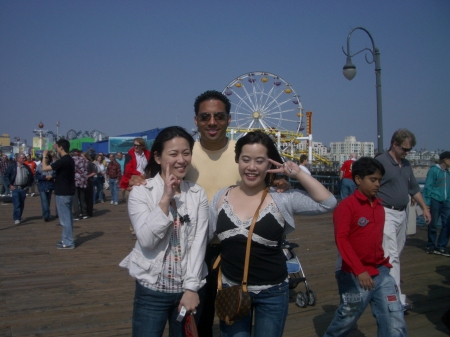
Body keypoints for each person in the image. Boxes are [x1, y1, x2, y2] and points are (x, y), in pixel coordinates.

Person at [128, 90, 288, 336]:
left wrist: (280, 184)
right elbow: (163, 175)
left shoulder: (243, 152)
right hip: (193, 248)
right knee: (200, 319)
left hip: (234, 248)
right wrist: (142, 180)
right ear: (196, 120)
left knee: (231, 313)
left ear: (229, 119)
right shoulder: (186, 151)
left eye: (218, 116)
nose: (212, 122)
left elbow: (271, 176)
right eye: (205, 117)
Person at [209, 131, 336, 337]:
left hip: (272, 292)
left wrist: (298, 174)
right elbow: (203, 236)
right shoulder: (221, 196)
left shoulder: (281, 199)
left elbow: (328, 203)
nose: (252, 167)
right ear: (237, 161)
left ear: (270, 165)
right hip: (232, 289)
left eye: (260, 161)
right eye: (246, 159)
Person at [119, 126, 208, 336]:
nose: (181, 159)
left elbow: (199, 242)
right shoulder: (141, 193)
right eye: (173, 153)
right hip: (152, 290)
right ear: (158, 157)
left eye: (186, 153)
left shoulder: (197, 194)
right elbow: (147, 240)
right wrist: (166, 199)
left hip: (187, 290)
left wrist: (191, 288)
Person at [324, 157, 407, 337]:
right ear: (358, 179)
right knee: (347, 318)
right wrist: (359, 269)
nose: (377, 184)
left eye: (379, 180)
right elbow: (342, 239)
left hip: (381, 270)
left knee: (394, 318)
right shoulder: (347, 206)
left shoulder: (379, 207)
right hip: (354, 273)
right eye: (373, 179)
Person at [376, 129, 431, 311]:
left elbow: (413, 187)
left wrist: (424, 207)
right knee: (391, 255)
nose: (407, 153)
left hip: (402, 212)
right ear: (394, 144)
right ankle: (397, 298)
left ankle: (383, 286)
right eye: (405, 149)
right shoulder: (381, 162)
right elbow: (371, 186)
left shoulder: (406, 165)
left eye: (409, 150)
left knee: (395, 254)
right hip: (385, 213)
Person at [42, 139, 76, 249]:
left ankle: (69, 242)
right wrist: (53, 155)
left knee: (64, 220)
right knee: (68, 218)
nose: (55, 148)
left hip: (63, 193)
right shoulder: (69, 159)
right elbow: (59, 164)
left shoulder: (63, 161)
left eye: (57, 147)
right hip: (69, 192)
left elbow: (44, 168)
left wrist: (44, 156)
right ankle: (66, 239)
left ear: (61, 147)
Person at [423, 151, 450, 256]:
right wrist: (427, 203)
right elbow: (428, 187)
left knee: (447, 224)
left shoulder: (448, 172)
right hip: (435, 200)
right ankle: (431, 245)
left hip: (446, 201)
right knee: (433, 223)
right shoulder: (434, 171)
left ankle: (441, 246)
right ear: (446, 160)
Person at [3, 153, 34, 224]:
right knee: (16, 203)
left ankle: (19, 217)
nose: (24, 159)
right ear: (18, 159)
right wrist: (9, 185)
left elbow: (31, 177)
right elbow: (6, 176)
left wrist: (28, 186)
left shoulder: (26, 167)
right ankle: (16, 218)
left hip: (23, 188)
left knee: (21, 204)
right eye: (23, 158)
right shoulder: (12, 167)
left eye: (24, 158)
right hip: (15, 188)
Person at [35, 153, 55, 222]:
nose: (46, 159)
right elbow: (37, 176)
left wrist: (52, 176)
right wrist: (45, 177)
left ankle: (47, 214)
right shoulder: (39, 166)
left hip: (50, 185)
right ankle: (46, 215)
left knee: (48, 200)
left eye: (47, 158)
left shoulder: (52, 166)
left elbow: (55, 174)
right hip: (42, 185)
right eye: (45, 158)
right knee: (44, 200)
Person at [71, 149, 89, 220]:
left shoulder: (72, 160)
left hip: (75, 180)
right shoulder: (83, 159)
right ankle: (84, 213)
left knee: (75, 199)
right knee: (82, 198)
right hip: (83, 180)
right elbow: (86, 170)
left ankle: (76, 214)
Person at [82, 152, 96, 217]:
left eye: (83, 156)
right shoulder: (82, 163)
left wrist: (87, 176)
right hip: (83, 182)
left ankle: (90, 212)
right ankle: (84, 211)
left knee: (89, 197)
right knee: (84, 197)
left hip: (89, 181)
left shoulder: (90, 163)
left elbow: (94, 172)